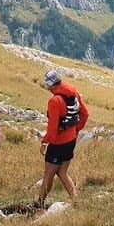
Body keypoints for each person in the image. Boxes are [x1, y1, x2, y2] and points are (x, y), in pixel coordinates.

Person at [37, 69, 88, 208]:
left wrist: (45, 142)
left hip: (58, 143)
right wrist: (76, 130)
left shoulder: (55, 101)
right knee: (62, 172)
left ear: (50, 85)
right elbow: (85, 113)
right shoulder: (74, 93)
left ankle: (40, 204)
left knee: (48, 174)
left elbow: (53, 128)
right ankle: (75, 199)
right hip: (71, 140)